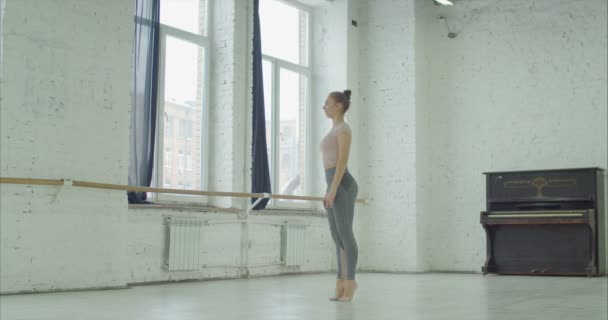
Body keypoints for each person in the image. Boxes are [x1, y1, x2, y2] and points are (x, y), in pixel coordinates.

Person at [320, 89, 359, 302]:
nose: (324, 106)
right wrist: (328, 189)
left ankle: (350, 283)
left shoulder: (344, 129)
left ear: (338, 106)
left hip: (343, 185)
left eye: (327, 103)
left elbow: (342, 162)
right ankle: (340, 283)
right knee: (337, 237)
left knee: (345, 235)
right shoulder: (332, 130)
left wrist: (333, 189)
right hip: (332, 185)